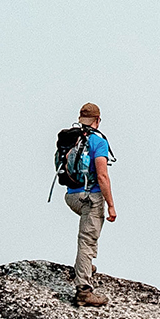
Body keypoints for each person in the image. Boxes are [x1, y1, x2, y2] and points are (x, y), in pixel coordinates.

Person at [61, 103, 117, 307]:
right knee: (87, 240)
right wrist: (110, 205)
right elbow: (102, 176)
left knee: (86, 235)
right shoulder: (97, 141)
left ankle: (84, 266)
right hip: (89, 198)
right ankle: (83, 290)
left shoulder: (72, 138)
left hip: (71, 197)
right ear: (98, 120)